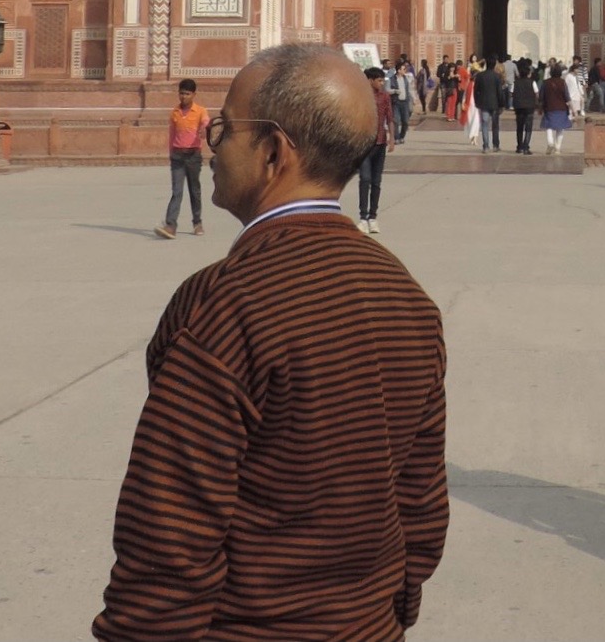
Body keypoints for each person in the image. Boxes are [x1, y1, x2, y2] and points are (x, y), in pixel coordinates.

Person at [94, 44, 448, 641]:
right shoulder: (406, 296)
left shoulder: (226, 304)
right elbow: (420, 507)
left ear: (273, 152)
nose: (212, 145)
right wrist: (384, 615)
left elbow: (169, 535)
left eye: (225, 129)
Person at [156, 79, 208, 239]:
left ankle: (197, 222)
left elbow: (206, 122)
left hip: (193, 156)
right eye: (181, 93)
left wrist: (204, 130)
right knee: (177, 191)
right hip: (177, 156)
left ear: (194, 95)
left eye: (187, 94)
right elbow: (172, 134)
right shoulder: (175, 112)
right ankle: (171, 225)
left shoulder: (200, 111)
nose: (183, 97)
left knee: (194, 190)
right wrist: (171, 152)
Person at [358, 64, 395, 233]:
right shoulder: (361, 97)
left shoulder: (385, 97)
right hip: (365, 144)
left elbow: (390, 118)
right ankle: (363, 217)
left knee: (376, 181)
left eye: (382, 80)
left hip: (380, 143)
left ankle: (373, 217)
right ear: (370, 81)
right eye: (379, 80)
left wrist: (392, 139)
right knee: (365, 180)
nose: (381, 83)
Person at [473, 57, 504, 152]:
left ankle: (486, 146)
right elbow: (500, 92)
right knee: (495, 125)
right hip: (495, 104)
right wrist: (502, 104)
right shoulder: (497, 76)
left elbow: (476, 90)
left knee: (485, 125)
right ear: (494, 64)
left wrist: (477, 102)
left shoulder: (480, 75)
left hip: (483, 103)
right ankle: (495, 145)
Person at [539, 64, 571, 156]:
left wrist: (540, 107)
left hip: (549, 107)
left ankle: (550, 142)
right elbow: (567, 96)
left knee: (549, 126)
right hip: (562, 108)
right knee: (560, 128)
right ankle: (558, 148)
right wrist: (572, 109)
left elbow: (541, 97)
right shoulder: (562, 82)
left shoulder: (545, 82)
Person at [511, 58, 539, 154]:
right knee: (528, 128)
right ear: (528, 73)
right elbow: (536, 93)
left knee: (519, 127)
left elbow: (512, 93)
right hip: (529, 107)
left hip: (518, 107)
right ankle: (526, 146)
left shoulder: (516, 82)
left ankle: (519, 146)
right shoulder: (532, 82)